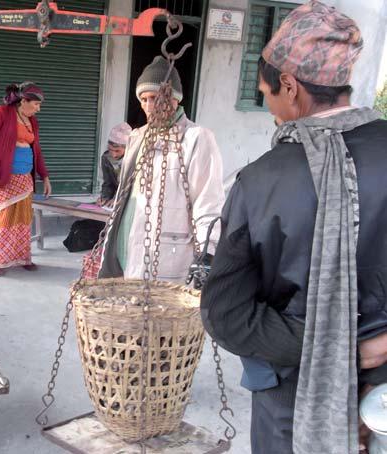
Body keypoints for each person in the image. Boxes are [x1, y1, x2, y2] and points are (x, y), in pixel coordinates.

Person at [200, 2, 387, 453]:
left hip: (294, 401)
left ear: (290, 85)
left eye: (267, 93)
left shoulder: (261, 180)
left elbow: (227, 316)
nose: (270, 107)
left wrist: (338, 347)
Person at [99, 56, 224, 282]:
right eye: (144, 99)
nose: (149, 106)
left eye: (155, 98)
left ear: (174, 99)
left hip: (166, 254)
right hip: (128, 251)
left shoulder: (196, 139)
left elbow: (208, 202)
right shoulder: (137, 137)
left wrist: (208, 253)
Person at [0, 82, 51, 276]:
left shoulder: (32, 122)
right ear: (24, 101)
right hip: (2, 179)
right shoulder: (1, 113)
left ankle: (21, 257)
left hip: (24, 180)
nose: (38, 109)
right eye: (35, 104)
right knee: (1, 220)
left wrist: (45, 176)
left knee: (22, 220)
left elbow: (37, 150)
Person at [97, 122, 132, 207]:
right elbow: (108, 183)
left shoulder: (133, 160)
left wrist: (117, 198)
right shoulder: (106, 158)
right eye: (110, 149)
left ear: (127, 148)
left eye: (117, 151)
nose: (113, 155)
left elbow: (129, 186)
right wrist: (104, 198)